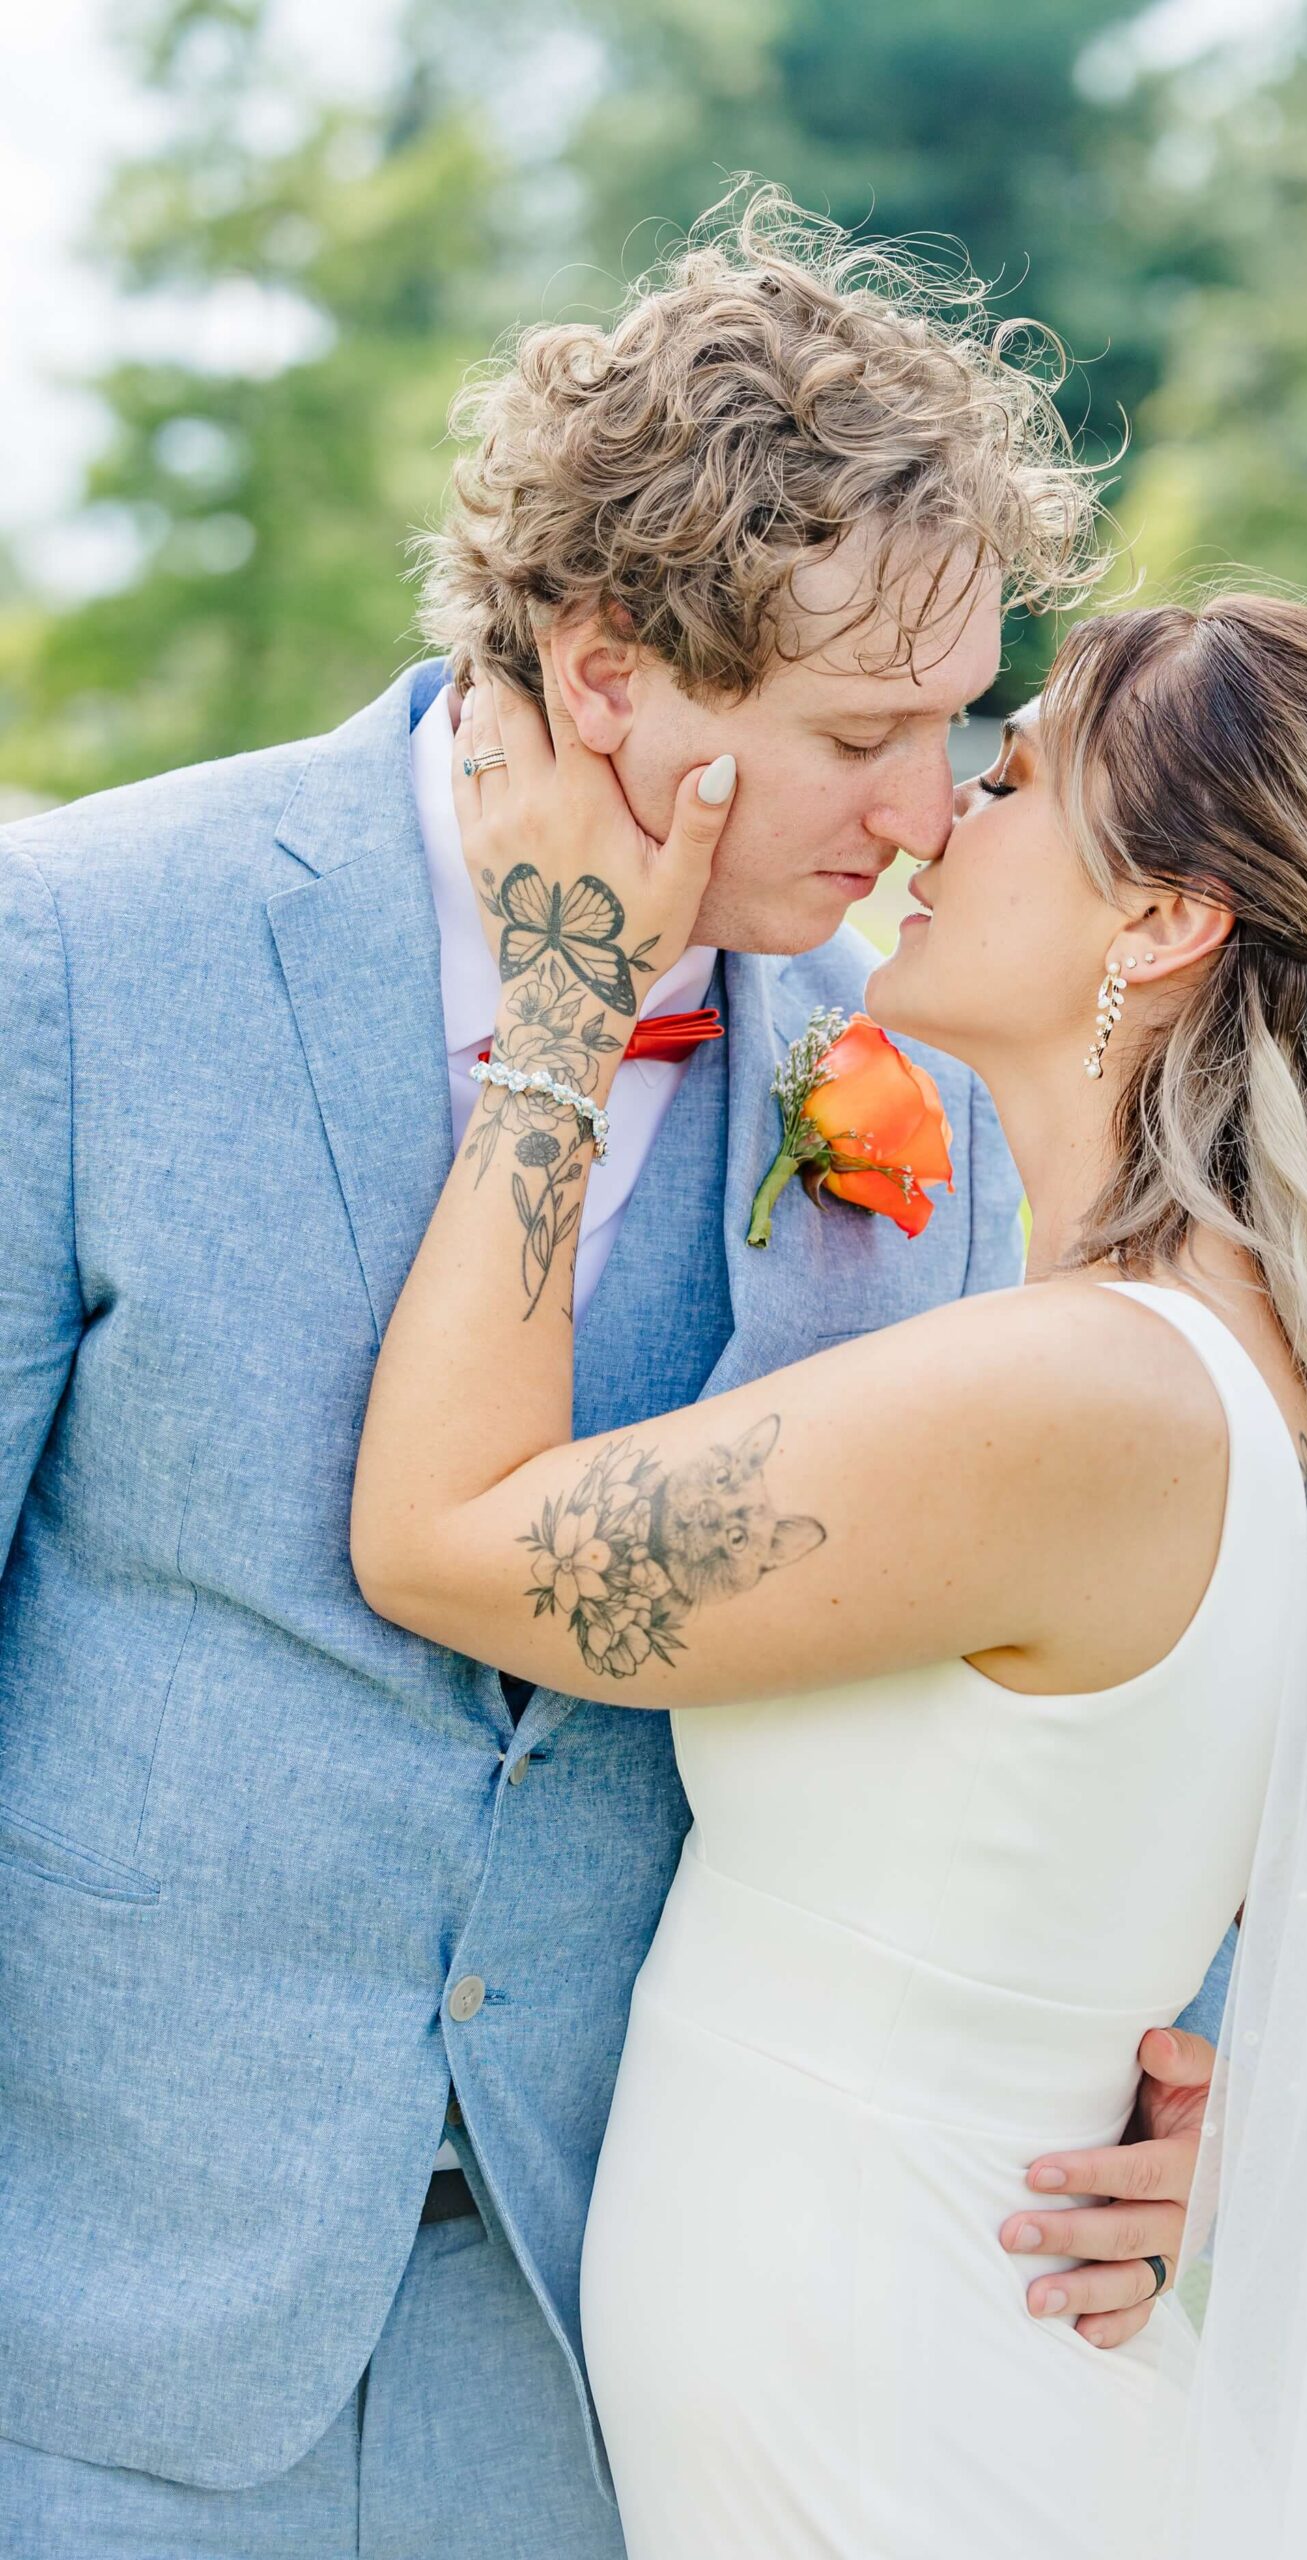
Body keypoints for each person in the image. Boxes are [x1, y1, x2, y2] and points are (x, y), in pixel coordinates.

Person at [0, 192, 1222, 2557]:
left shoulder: (929, 1074)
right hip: (89, 2336)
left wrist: (1196, 2059)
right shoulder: (79, 953)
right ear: (603, 671)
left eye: (961, 720)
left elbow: (1086, 1603)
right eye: (861, 733)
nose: (924, 808)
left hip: (617, 2347)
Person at [350, 585, 1307, 2555]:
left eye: (1011, 774)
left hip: (913, 2444)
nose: (926, 813)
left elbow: (444, 1535)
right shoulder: (1223, 1372)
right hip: (893, 2397)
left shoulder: (1085, 1398)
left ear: (1157, 921)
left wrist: (562, 1009)